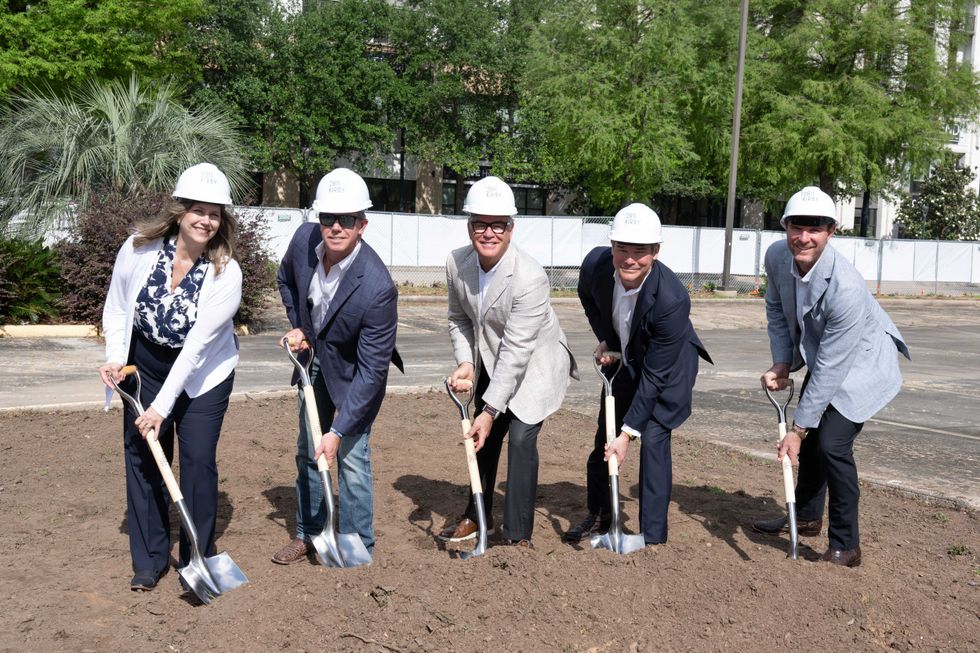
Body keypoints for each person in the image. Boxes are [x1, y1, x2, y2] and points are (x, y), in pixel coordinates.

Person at [98, 163, 242, 591]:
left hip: (204, 377)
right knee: (144, 457)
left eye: (215, 213)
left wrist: (162, 407)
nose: (206, 220)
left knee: (197, 460)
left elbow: (197, 349)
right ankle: (149, 559)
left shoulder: (225, 273)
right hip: (145, 364)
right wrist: (114, 358)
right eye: (199, 209)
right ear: (179, 212)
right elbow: (119, 305)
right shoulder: (139, 248)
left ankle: (198, 555)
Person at [752, 186, 909, 567]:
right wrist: (782, 361)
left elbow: (832, 367)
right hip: (826, 356)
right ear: (785, 226)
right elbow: (776, 309)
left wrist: (797, 429)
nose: (803, 237)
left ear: (831, 232)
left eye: (815, 228)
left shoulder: (847, 287)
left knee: (831, 445)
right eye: (796, 227)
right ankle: (806, 516)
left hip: (863, 363)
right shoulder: (776, 257)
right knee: (816, 435)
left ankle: (846, 545)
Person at [272, 167, 402, 564]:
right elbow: (285, 280)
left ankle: (358, 541)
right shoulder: (303, 240)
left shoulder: (378, 287)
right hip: (313, 361)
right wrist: (300, 327)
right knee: (308, 448)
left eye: (347, 220)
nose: (336, 227)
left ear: (362, 225)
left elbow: (372, 371)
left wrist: (339, 430)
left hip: (353, 373)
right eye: (328, 217)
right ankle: (309, 532)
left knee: (350, 455)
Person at [439, 176, 577, 549]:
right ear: (470, 227)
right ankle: (475, 514)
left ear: (510, 229)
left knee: (518, 438)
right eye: (480, 224)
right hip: (492, 359)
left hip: (534, 365)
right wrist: (466, 363)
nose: (488, 232)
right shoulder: (457, 263)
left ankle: (517, 537)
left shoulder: (530, 277)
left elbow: (517, 351)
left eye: (497, 224)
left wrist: (488, 410)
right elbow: (459, 318)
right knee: (483, 439)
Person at [568, 203, 711, 546]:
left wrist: (629, 435)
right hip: (624, 355)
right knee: (605, 434)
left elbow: (655, 376)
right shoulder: (596, 265)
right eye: (622, 249)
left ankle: (651, 535)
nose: (630, 259)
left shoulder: (672, 299)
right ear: (612, 245)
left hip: (669, 368)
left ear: (655, 252)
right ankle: (601, 513)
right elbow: (587, 297)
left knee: (654, 440)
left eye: (640, 252)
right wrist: (607, 337)